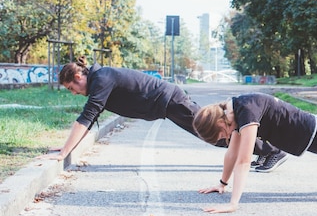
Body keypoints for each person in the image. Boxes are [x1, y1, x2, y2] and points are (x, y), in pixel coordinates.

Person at [40, 57, 287, 172]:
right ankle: (267, 150)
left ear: (78, 77)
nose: (74, 93)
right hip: (168, 103)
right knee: (216, 132)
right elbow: (90, 118)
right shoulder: (99, 79)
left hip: (170, 101)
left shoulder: (101, 79)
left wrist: (64, 153)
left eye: (72, 88)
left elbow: (86, 116)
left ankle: (272, 150)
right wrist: (65, 150)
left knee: (214, 132)